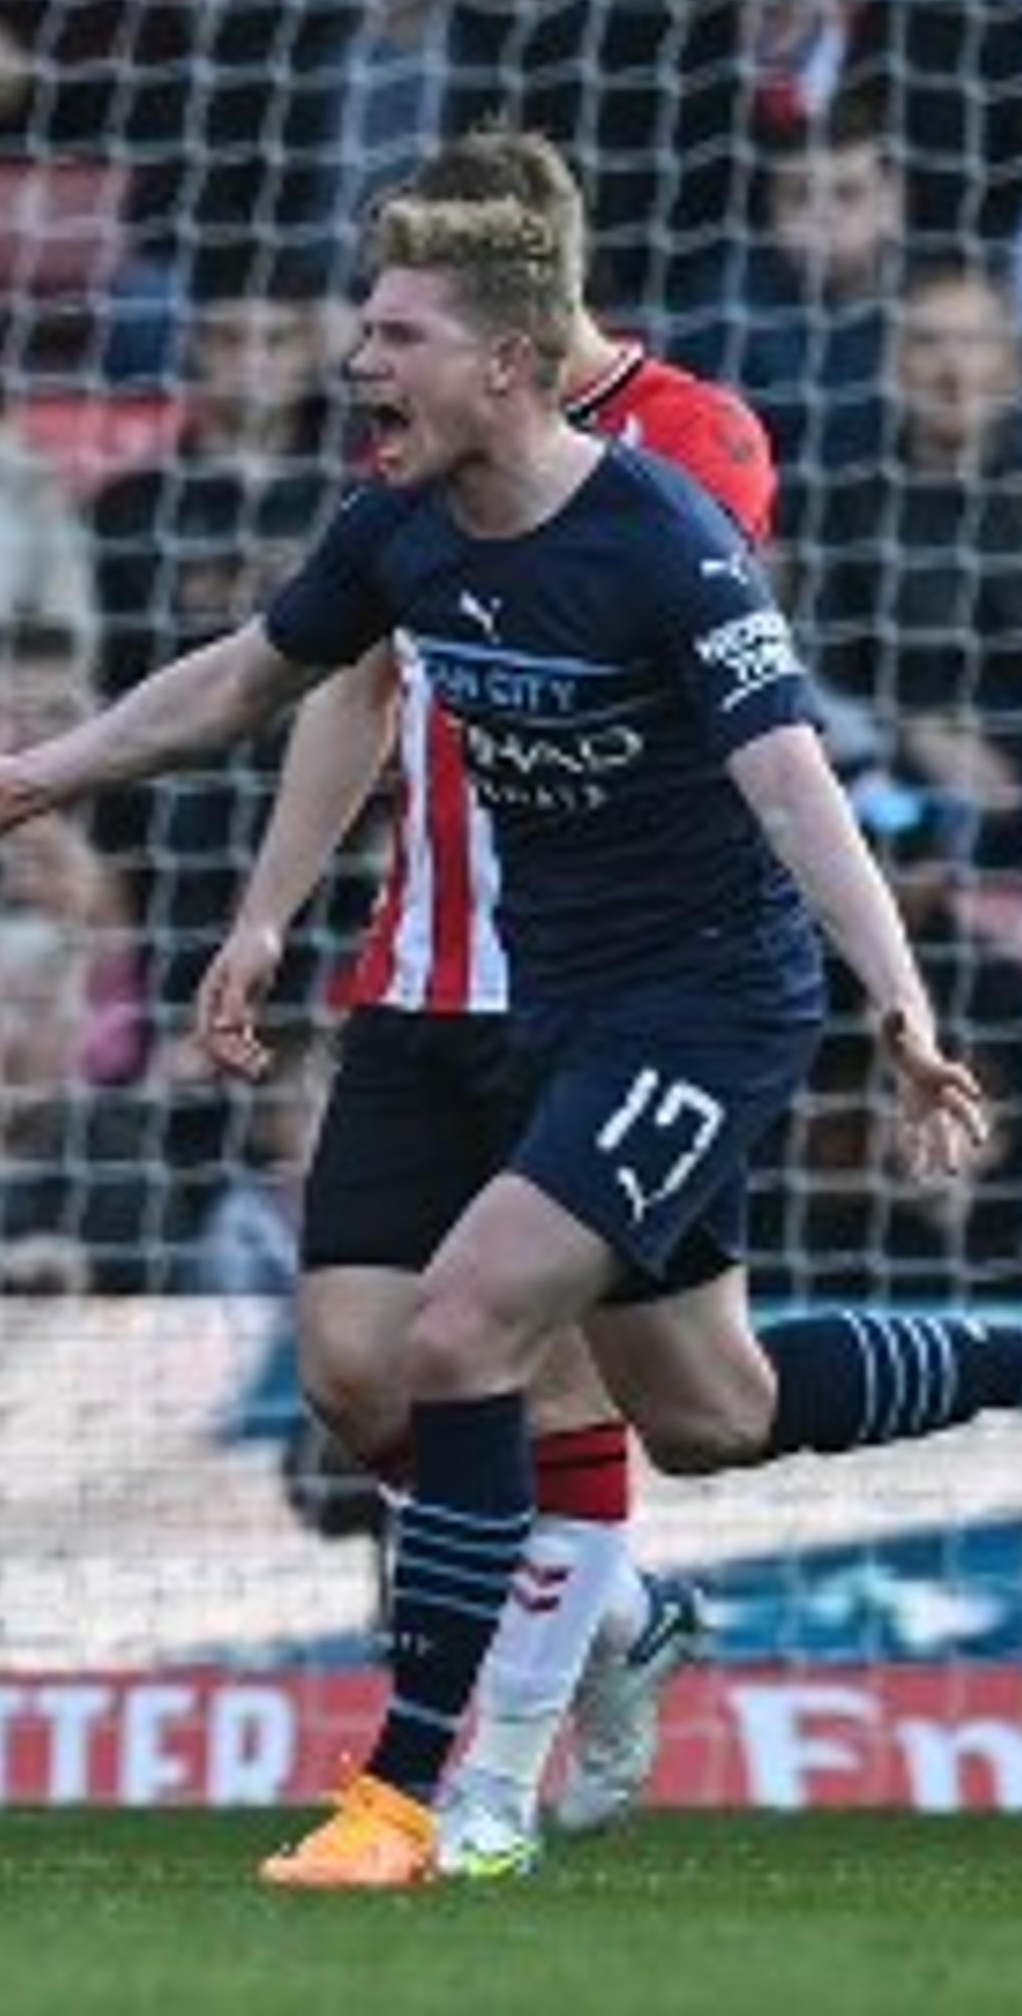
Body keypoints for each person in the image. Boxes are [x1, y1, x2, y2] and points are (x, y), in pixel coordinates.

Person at [0, 130, 1022, 1892]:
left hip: (699, 999)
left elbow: (791, 780)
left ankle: (430, 1790)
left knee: (471, 1329)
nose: (360, 360)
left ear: (514, 338)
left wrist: (902, 997)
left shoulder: (671, 501)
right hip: (508, 988)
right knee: (694, 1403)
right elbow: (279, 676)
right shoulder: (409, 504)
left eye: (394, 329)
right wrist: (39, 786)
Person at [185, 131, 785, 1878]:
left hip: (610, 983)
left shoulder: (692, 447)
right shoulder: (419, 450)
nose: (372, 351)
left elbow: (701, 683)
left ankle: (479, 1778)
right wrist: (269, 911)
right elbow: (343, 670)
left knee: (554, 1375)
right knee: (362, 1380)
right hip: (426, 962)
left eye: (405, 310)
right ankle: (614, 1618)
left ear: (520, 299)